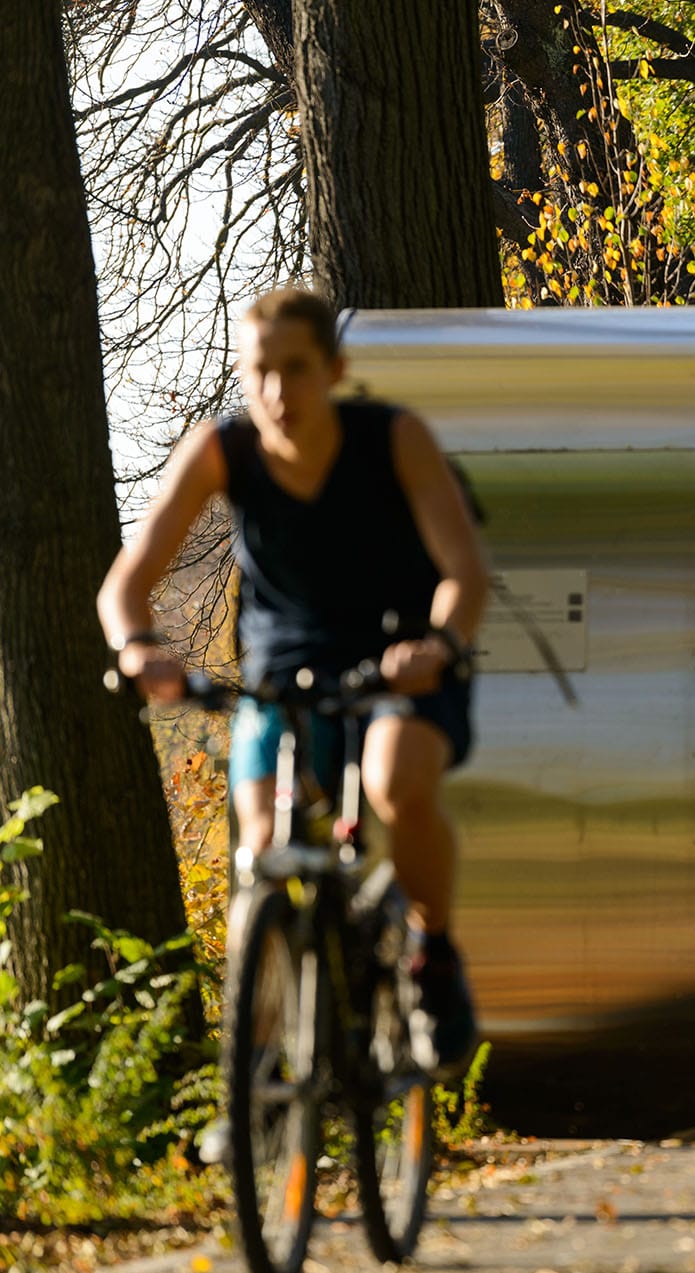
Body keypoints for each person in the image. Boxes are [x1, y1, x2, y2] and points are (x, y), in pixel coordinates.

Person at [98, 287, 490, 1081]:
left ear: (335, 370)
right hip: (285, 667)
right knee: (264, 848)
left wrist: (438, 643)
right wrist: (139, 649)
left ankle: (433, 959)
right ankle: (259, 1085)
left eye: (297, 369)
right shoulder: (222, 450)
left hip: (400, 651)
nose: (277, 392)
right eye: (258, 371)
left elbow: (466, 575)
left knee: (392, 782)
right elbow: (124, 585)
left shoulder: (394, 439)